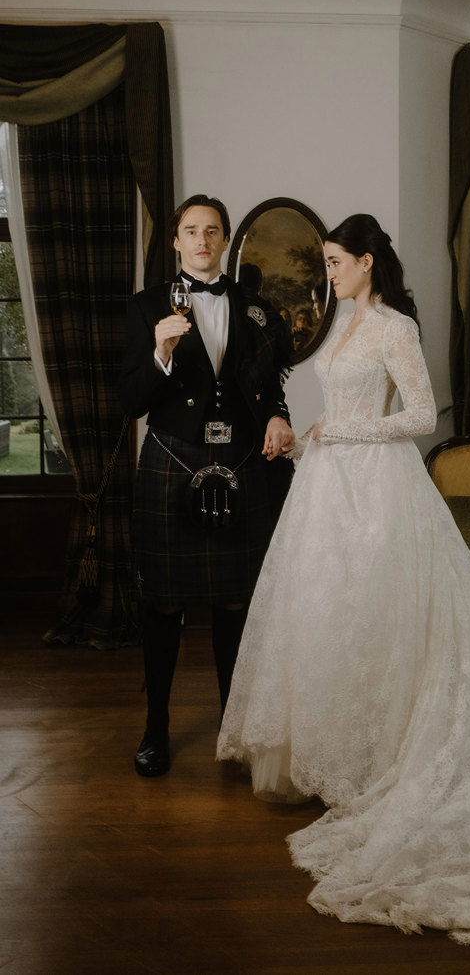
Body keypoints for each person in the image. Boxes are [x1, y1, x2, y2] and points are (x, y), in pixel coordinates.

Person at [217, 214, 470, 951]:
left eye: (336, 262)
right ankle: (328, 758)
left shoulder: (396, 326)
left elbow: (421, 416)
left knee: (382, 621)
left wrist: (346, 433)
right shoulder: (343, 322)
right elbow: (335, 409)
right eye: (326, 263)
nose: (328, 274)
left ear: (367, 262)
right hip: (329, 486)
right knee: (327, 615)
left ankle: (384, 760)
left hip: (383, 492)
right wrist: (306, 436)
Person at [120, 194, 294, 778]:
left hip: (241, 462)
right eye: (191, 231)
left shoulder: (254, 306)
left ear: (225, 240)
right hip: (172, 459)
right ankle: (156, 728)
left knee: (234, 605)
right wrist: (161, 354)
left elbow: (269, 382)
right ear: (175, 241)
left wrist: (276, 414)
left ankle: (233, 727)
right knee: (163, 602)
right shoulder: (146, 307)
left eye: (212, 231)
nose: (202, 240)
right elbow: (131, 401)